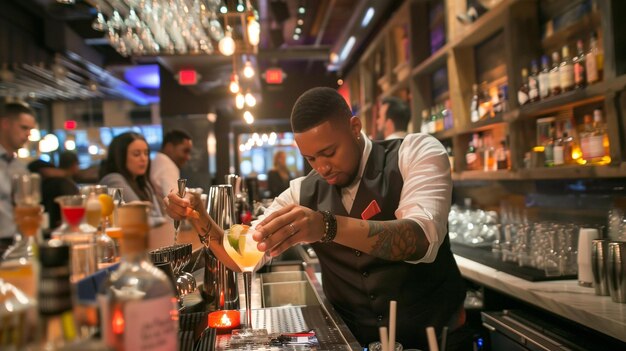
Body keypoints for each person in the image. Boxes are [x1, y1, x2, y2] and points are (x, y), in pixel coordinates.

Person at [165, 87, 468, 350]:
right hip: (353, 339)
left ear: (354, 127)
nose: (322, 167)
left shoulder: (415, 152)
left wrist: (327, 226)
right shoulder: (301, 192)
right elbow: (241, 256)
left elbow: (420, 241)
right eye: (311, 158)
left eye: (329, 152)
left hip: (436, 338)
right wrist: (199, 216)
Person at [99, 132, 165, 227]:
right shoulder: (113, 179)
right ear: (120, 157)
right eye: (136, 154)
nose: (144, 158)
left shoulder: (143, 183)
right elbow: (141, 217)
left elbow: (158, 215)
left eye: (146, 153)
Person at [0, 102, 36, 254]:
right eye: (24, 128)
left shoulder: (21, 169)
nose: (28, 134)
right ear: (5, 124)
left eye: (30, 130)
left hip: (17, 245)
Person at [31, 152, 80, 231]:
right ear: (74, 165)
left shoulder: (50, 179)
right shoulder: (66, 183)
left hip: (46, 223)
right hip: (63, 225)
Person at [150, 129, 193, 198]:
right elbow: (176, 201)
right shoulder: (168, 166)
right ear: (169, 147)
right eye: (185, 151)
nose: (188, 157)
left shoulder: (157, 160)